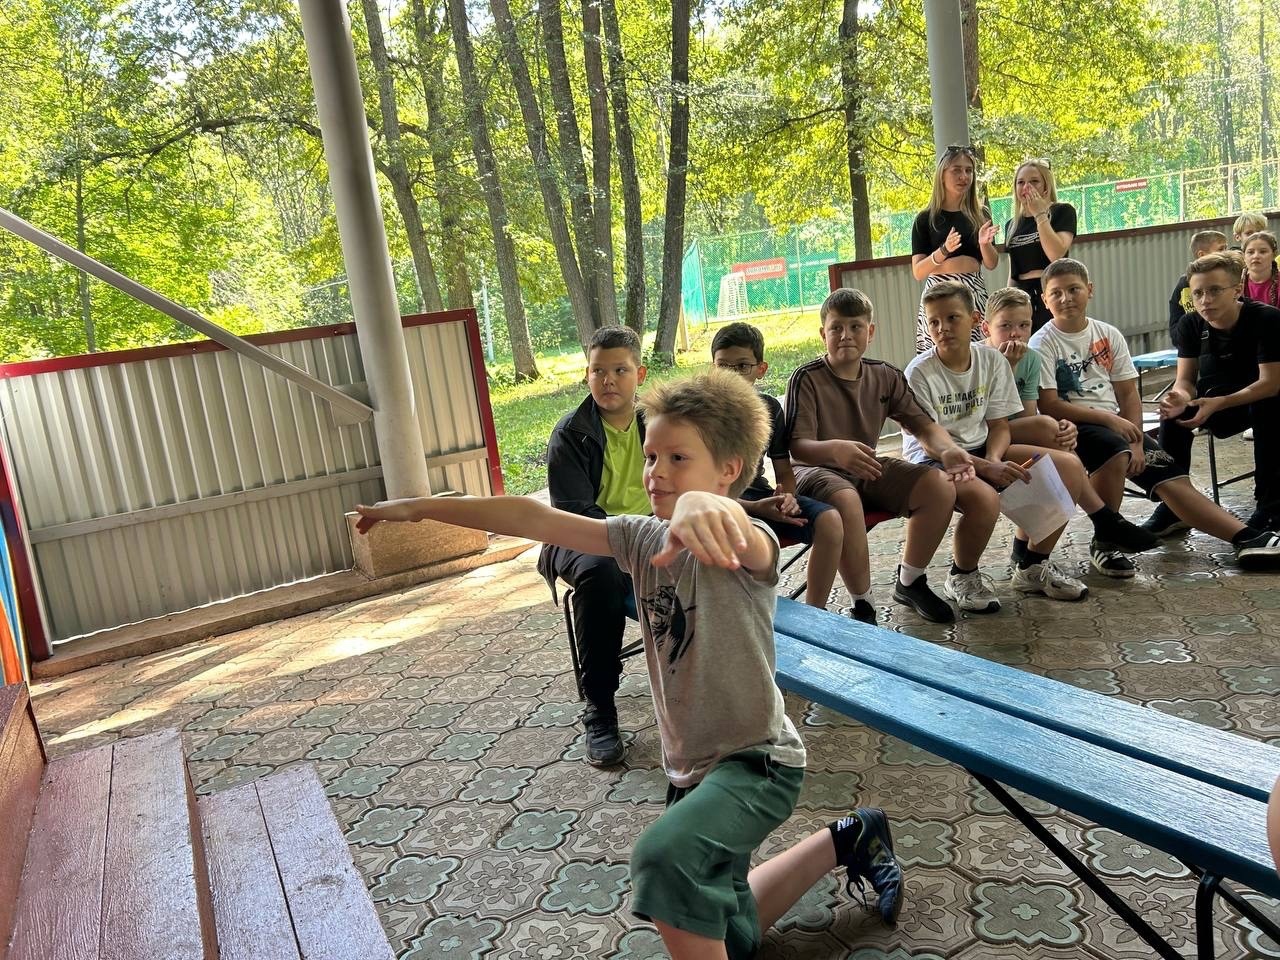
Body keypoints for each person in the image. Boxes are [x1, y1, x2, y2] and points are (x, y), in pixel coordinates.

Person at [354, 370, 905, 960]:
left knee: (663, 861)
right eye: (650, 456)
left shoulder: (745, 540)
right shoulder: (642, 538)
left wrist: (702, 503)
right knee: (731, 935)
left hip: (756, 763)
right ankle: (851, 838)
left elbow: (748, 538)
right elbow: (533, 518)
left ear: (729, 468)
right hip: (691, 770)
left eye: (678, 458)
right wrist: (419, 507)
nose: (656, 472)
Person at [908, 282, 1155, 603]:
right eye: (934, 322)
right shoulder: (919, 372)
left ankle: (1032, 566)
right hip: (937, 459)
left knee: (1068, 466)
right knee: (984, 498)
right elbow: (931, 444)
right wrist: (987, 467)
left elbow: (999, 425)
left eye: (952, 318)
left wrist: (994, 459)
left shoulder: (990, 360)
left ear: (974, 319)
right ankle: (962, 575)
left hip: (980, 446)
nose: (942, 328)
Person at [1030, 258, 1280, 572]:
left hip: (1118, 428)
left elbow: (1128, 395)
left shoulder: (1108, 334)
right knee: (1116, 450)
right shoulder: (1042, 343)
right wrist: (1117, 421)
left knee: (1172, 479)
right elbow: (1050, 405)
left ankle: (1247, 537)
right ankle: (1105, 543)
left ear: (1089, 290)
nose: (1066, 298)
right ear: (1045, 300)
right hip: (1075, 428)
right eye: (1056, 293)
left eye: (1073, 289)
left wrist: (1136, 440)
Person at [786, 288, 978, 625]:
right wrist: (835, 450)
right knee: (847, 500)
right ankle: (863, 605)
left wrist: (948, 450)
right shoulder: (807, 378)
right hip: (814, 471)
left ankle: (911, 581)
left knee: (939, 486)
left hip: (864, 466)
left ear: (870, 331)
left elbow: (923, 426)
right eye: (836, 328)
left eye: (856, 327)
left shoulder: (885, 375)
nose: (846, 335)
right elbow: (798, 446)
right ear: (823, 334)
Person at [982, 285, 1159, 574]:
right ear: (986, 327)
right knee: (1050, 433)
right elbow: (988, 416)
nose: (1015, 334)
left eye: (1023, 325)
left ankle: (1026, 551)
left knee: (1056, 435)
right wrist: (1007, 369)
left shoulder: (1031, 358)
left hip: (1010, 432)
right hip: (982, 435)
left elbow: (1024, 415)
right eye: (1005, 326)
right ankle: (1105, 520)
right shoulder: (980, 358)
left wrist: (1061, 427)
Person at [536, 326, 650, 767]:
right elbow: (575, 512)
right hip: (580, 535)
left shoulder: (658, 422)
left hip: (650, 530)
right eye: (598, 371)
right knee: (600, 573)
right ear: (587, 375)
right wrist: (634, 541)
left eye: (620, 370)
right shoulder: (572, 433)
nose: (608, 380)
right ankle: (600, 706)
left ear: (639, 374)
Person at [709, 322, 855, 617]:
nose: (732, 374)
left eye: (742, 366)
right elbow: (698, 491)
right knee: (740, 539)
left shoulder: (769, 409)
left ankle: (815, 615)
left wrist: (787, 497)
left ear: (760, 369)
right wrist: (754, 508)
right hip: (718, 505)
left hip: (760, 497)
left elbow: (784, 471)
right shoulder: (701, 414)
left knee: (829, 521)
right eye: (723, 366)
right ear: (713, 368)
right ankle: (744, 620)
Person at [1156, 251, 1280, 533]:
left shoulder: (1266, 319)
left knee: (1268, 408)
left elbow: (1270, 383)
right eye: (1198, 293)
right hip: (1217, 399)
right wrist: (1178, 397)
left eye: (1214, 291)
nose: (1205, 300)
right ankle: (1174, 506)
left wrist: (1219, 403)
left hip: (1262, 397)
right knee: (1173, 416)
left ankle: (1271, 506)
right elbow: (1186, 381)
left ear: (1237, 290)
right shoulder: (1190, 324)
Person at [910, 144, 999, 354]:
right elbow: (918, 272)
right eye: (956, 170)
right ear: (942, 174)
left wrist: (984, 243)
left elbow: (991, 263)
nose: (963, 176)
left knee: (978, 352)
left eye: (968, 170)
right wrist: (943, 250)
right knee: (939, 354)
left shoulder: (981, 214)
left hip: (973, 290)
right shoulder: (926, 218)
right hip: (938, 292)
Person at [1001, 158, 1076, 332]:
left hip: (1053, 291)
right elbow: (1014, 271)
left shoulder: (1062, 211)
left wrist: (1040, 215)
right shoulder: (1012, 224)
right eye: (1021, 182)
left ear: (1046, 187)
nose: (1026, 187)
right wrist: (1007, 302)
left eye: (1034, 181)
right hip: (1023, 296)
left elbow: (1056, 255)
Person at [1169, 230, 1227, 340]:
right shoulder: (1186, 284)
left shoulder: (1226, 277)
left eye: (1226, 248)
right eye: (1220, 249)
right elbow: (1180, 321)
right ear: (1202, 255)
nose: (1226, 253)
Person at [1242, 230, 1280, 308]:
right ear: (1244, 256)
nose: (1256, 256)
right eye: (1250, 252)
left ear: (1274, 255)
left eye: (1263, 252)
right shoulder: (1235, 283)